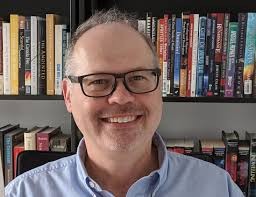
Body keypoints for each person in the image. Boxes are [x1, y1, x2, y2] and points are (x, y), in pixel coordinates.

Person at [5, 8, 243, 197]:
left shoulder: (218, 188)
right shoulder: (23, 192)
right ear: (68, 96)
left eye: (138, 77)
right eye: (98, 81)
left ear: (159, 87)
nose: (120, 97)